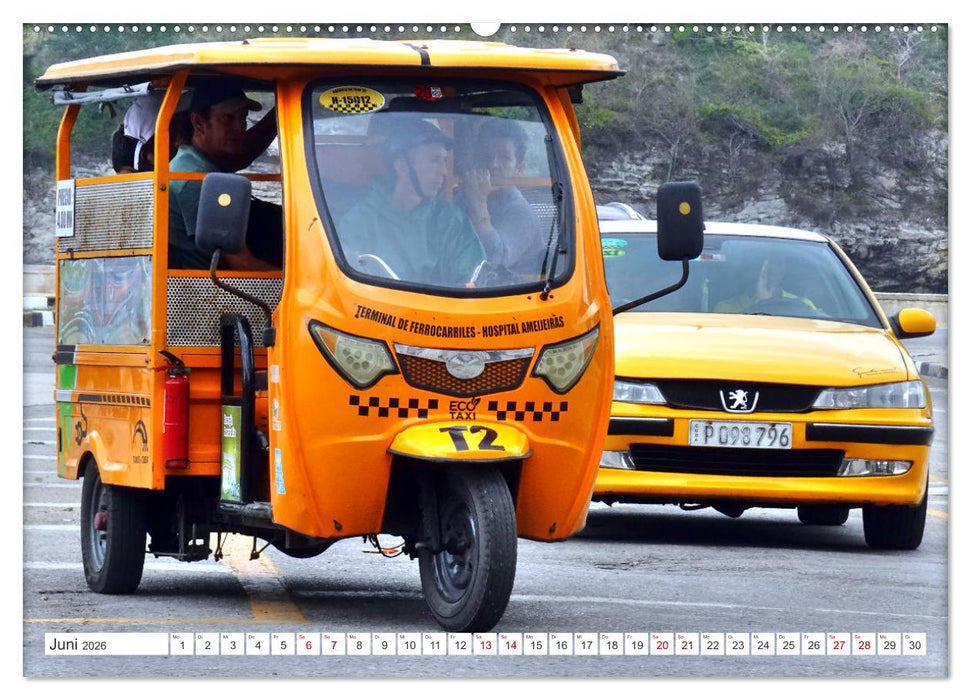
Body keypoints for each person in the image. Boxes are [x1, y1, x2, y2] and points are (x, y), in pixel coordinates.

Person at [337, 118, 485, 286]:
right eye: (434, 160)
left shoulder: (452, 221)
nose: (444, 171)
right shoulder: (359, 221)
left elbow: (472, 282)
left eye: (444, 161)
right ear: (402, 166)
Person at [168, 78, 280, 270]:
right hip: (204, 293)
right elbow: (243, 263)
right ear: (198, 122)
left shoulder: (194, 162)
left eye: (243, 117)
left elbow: (247, 151)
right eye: (227, 118)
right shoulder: (194, 180)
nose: (239, 127)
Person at [460, 119, 545, 277]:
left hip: (514, 297)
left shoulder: (520, 212)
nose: (494, 164)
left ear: (519, 169)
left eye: (505, 158)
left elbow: (494, 260)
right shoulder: (462, 196)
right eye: (487, 156)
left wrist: (478, 204)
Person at [715, 254, 816, 313]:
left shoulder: (803, 306)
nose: (770, 269)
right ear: (749, 271)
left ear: (784, 270)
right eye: (761, 264)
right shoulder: (726, 309)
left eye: (777, 264)